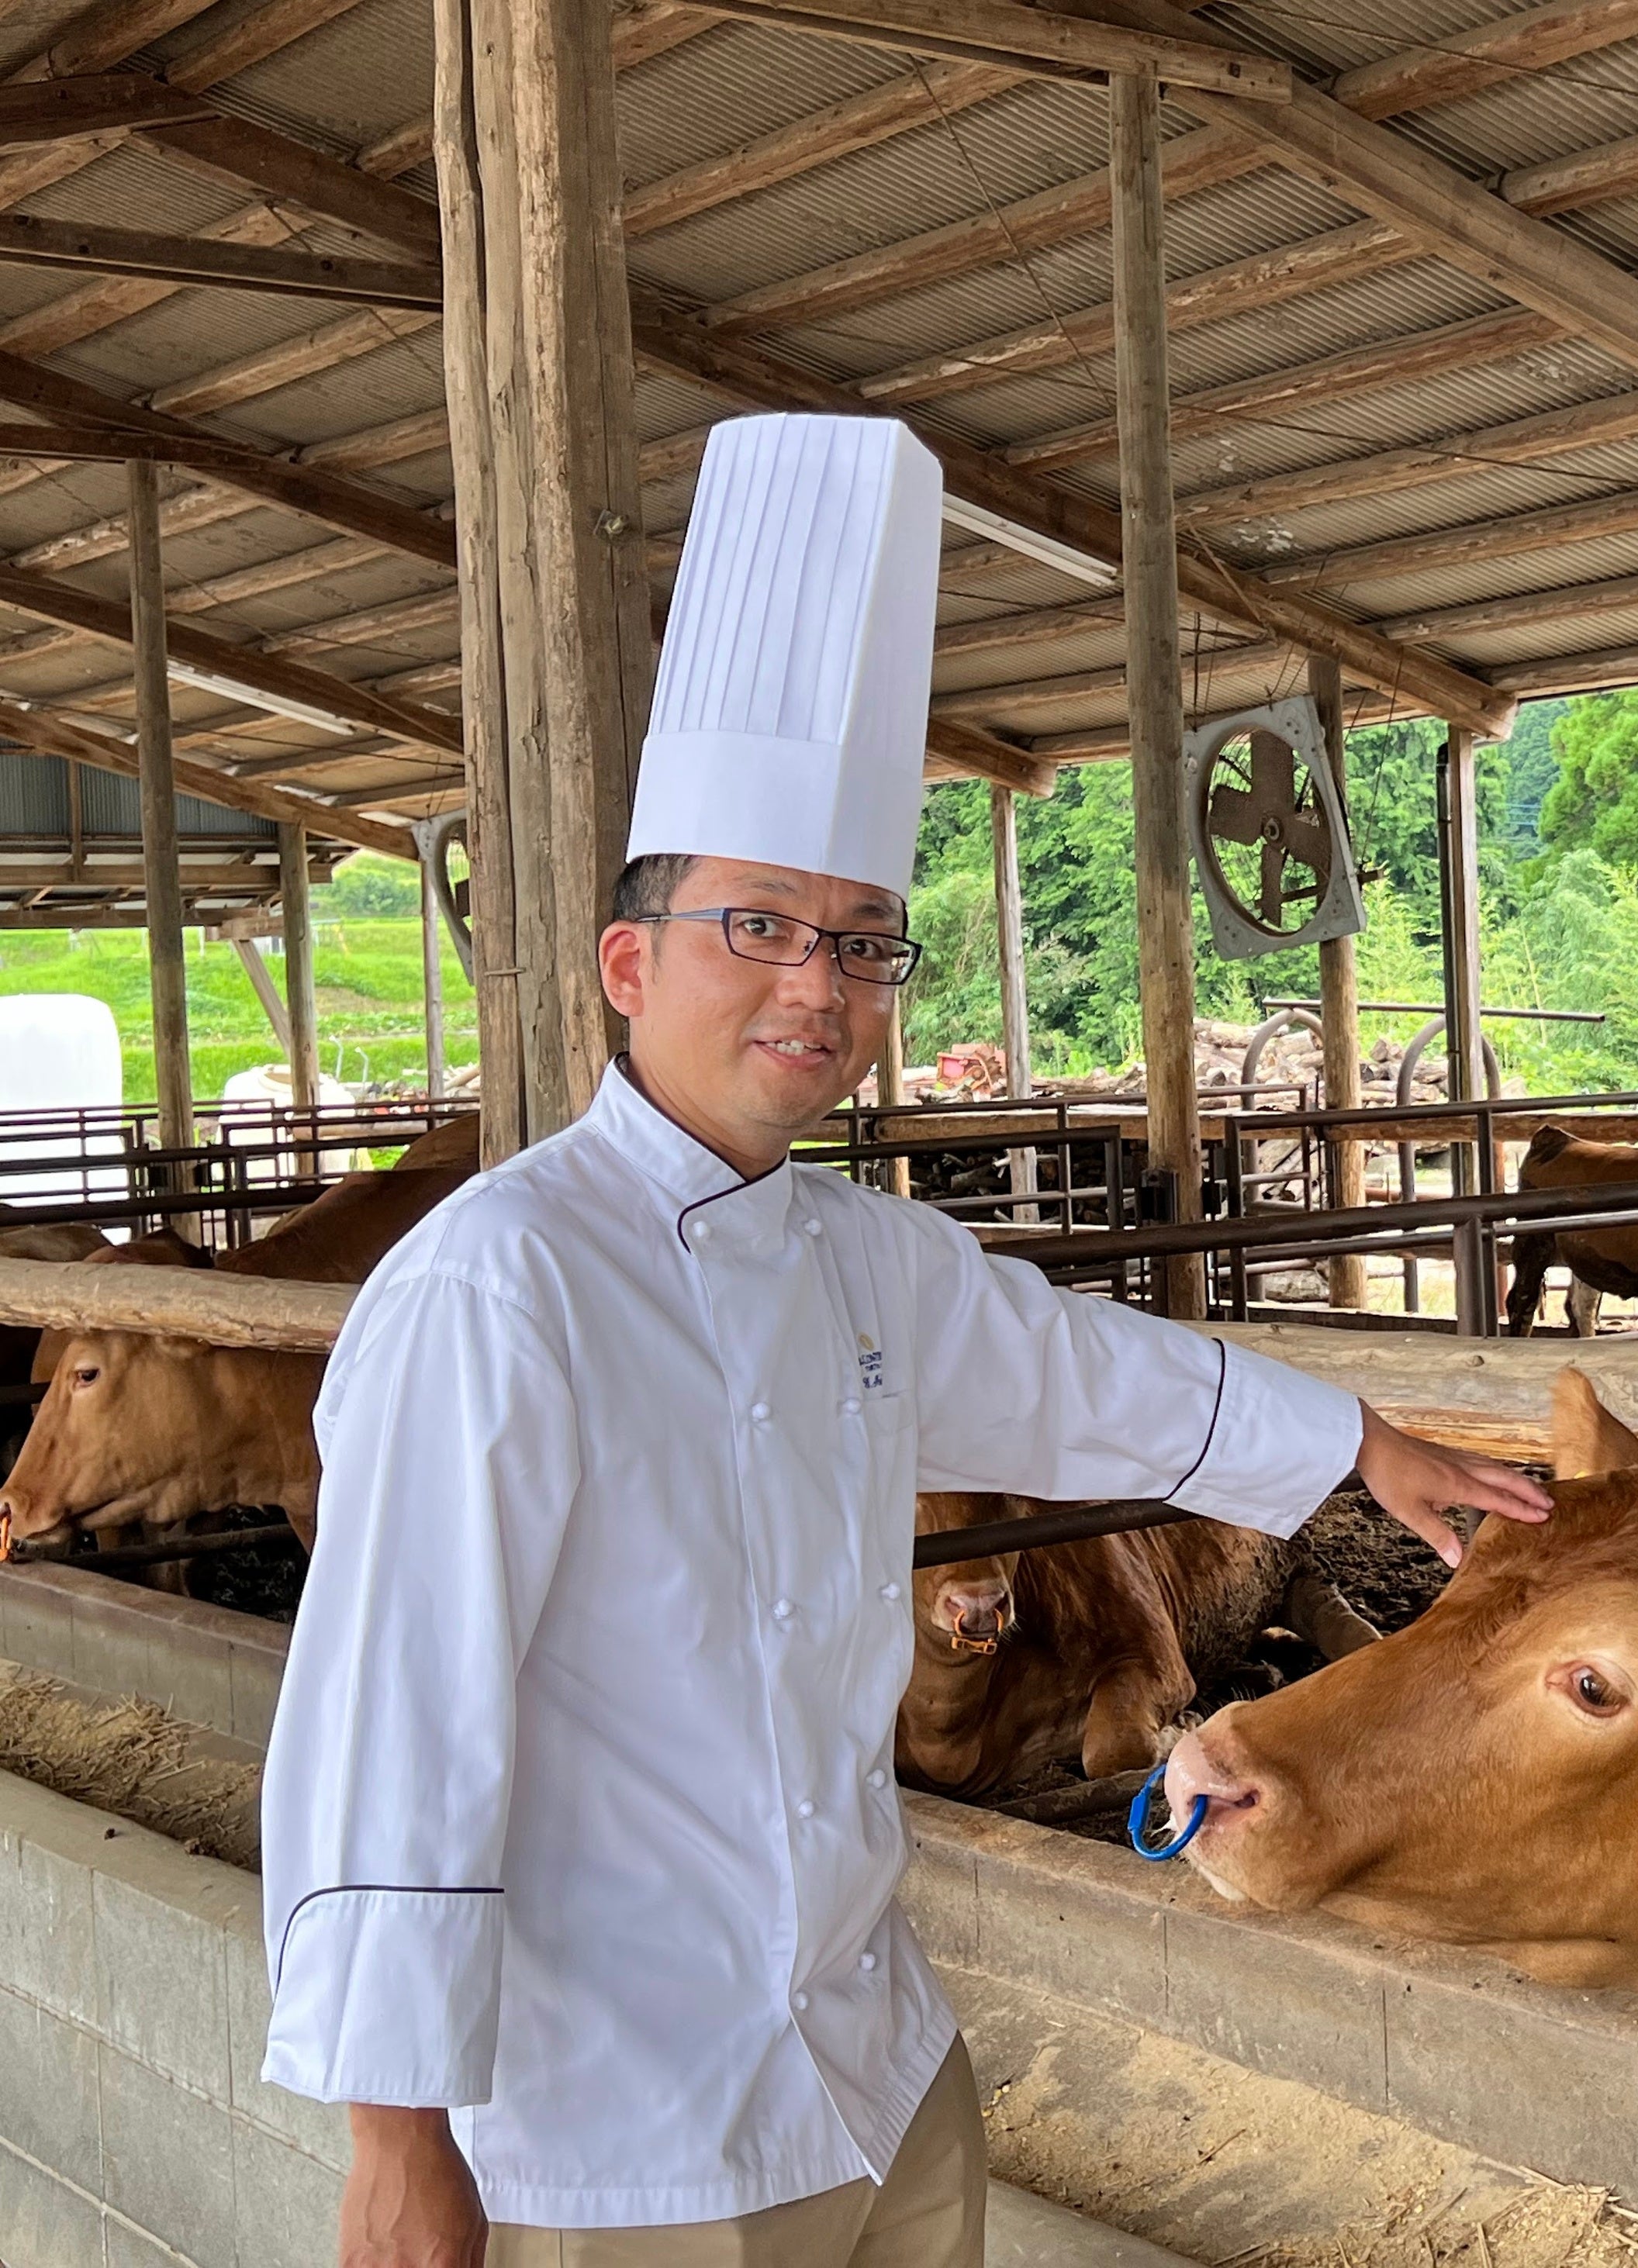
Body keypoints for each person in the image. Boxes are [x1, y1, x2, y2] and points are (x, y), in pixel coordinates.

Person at [258, 415, 1550, 2268]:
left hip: (877, 2063)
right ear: (631, 967)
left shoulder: (864, 1254)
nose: (819, 985)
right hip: (611, 2131)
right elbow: (396, 1720)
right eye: (760, 928)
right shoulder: (498, 1286)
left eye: (864, 942)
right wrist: (398, 2143)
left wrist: (1359, 1440)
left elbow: (1084, 1371)